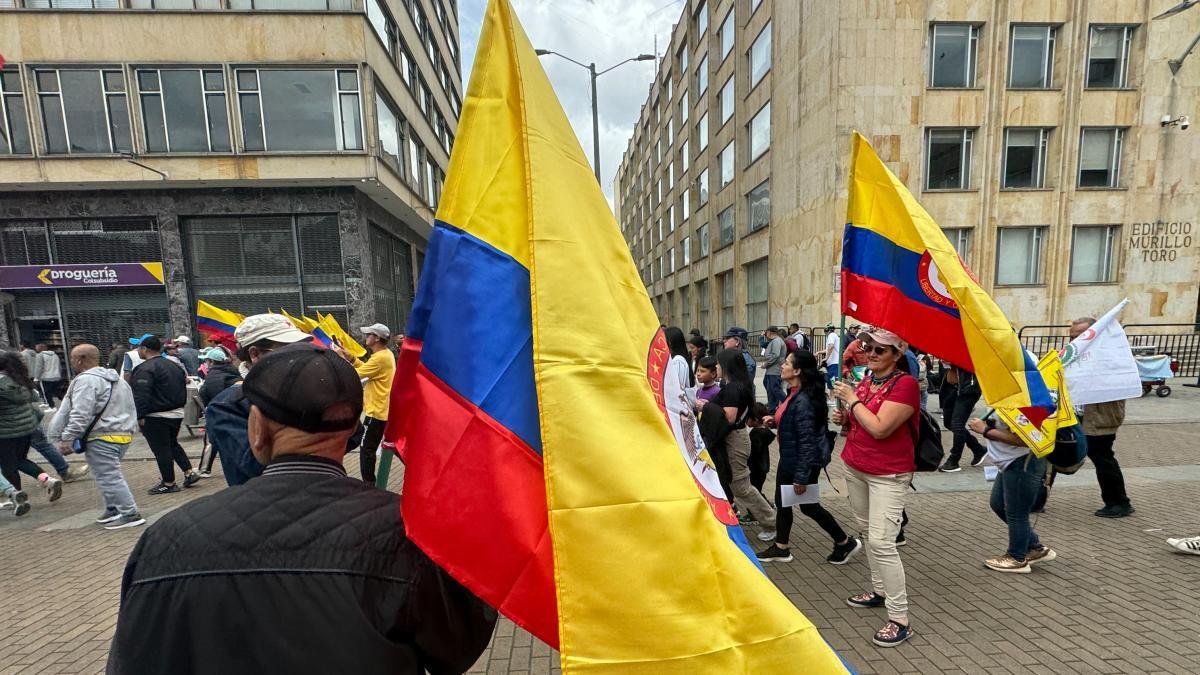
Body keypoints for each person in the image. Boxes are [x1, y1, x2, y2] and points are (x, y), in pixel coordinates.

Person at [107, 346, 498, 673]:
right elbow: (456, 649)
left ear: (257, 426)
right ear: (351, 430)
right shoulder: (407, 530)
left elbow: (134, 659)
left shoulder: (166, 538)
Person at [830, 328, 918, 648]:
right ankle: (879, 591)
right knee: (867, 531)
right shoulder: (869, 379)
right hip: (856, 466)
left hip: (888, 474)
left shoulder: (905, 385)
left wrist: (852, 401)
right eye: (869, 347)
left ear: (897, 354)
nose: (871, 353)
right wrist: (846, 414)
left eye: (881, 350)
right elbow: (859, 420)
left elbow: (881, 429)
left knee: (882, 542)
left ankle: (900, 618)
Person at [757, 349, 861, 565]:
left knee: (807, 505)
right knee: (786, 503)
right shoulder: (795, 392)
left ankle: (844, 541)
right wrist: (775, 422)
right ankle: (782, 546)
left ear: (797, 370)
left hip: (799, 462)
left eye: (787, 363)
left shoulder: (803, 400)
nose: (783, 366)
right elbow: (794, 425)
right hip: (792, 458)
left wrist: (801, 477)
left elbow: (807, 441)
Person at [208, 314, 314, 486]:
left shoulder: (309, 389)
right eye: (288, 351)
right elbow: (254, 464)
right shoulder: (226, 406)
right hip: (260, 504)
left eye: (302, 350)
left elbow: (352, 436)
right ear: (255, 354)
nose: (299, 359)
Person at [48, 344, 144, 529]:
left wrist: (67, 438)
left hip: (101, 435)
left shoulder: (85, 381)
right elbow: (130, 407)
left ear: (79, 360)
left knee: (109, 476)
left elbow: (80, 413)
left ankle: (130, 513)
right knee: (106, 474)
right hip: (122, 434)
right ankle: (113, 508)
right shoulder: (118, 380)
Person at [966, 414, 1057, 574]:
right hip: (1009, 462)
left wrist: (985, 430)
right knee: (998, 504)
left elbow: (1026, 438)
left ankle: (1016, 557)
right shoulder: (1001, 398)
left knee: (1016, 513)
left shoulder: (1017, 402)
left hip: (1022, 462)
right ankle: (1034, 546)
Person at [708, 348, 774, 541]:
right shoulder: (734, 385)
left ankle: (770, 521)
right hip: (733, 439)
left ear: (727, 366)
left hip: (734, 440)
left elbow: (728, 418)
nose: (716, 367)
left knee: (741, 486)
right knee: (733, 483)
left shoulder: (733, 388)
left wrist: (707, 406)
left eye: (718, 364)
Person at [1072, 318, 1134, 518]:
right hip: (1080, 414)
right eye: (1071, 337)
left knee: (1102, 457)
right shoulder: (1077, 354)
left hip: (1100, 416)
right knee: (1056, 453)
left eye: (1078, 337)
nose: (1073, 341)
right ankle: (1037, 499)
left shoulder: (1110, 354)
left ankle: (1119, 502)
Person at [130, 335, 199, 494]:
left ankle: (169, 483)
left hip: (156, 415)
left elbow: (141, 395)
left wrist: (139, 416)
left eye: (139, 348)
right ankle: (189, 472)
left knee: (161, 449)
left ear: (145, 349)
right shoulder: (174, 365)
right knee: (172, 444)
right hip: (176, 413)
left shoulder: (144, 369)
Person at [332, 323, 396, 484]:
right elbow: (367, 368)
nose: (366, 337)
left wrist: (340, 357)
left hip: (376, 412)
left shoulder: (380, 358)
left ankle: (368, 484)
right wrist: (351, 357)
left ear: (377, 338)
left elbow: (355, 375)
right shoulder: (384, 355)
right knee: (368, 445)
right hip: (380, 410)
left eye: (369, 335)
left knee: (366, 449)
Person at [0, 352, 63, 503]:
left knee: (8, 465)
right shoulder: (19, 379)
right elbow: (35, 397)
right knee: (20, 460)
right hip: (27, 428)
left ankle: (17, 497)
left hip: (6, 432)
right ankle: (48, 480)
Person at [938, 367, 987, 472]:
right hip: (952, 387)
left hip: (968, 388)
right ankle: (978, 449)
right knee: (948, 423)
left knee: (957, 424)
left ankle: (954, 460)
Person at [746, 402, 773, 495]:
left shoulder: (756, 435)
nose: (746, 420)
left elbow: (754, 451)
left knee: (754, 492)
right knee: (757, 490)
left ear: (756, 420)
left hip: (755, 469)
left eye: (748, 418)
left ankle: (763, 507)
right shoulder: (764, 432)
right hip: (762, 467)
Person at [722, 327, 757, 396]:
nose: (724, 341)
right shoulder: (734, 356)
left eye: (728, 338)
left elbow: (743, 383)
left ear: (737, 342)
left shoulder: (744, 358)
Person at [761, 326, 787, 413]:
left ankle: (787, 403)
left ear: (769, 332)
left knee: (775, 388)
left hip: (775, 369)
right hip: (771, 369)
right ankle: (772, 407)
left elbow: (775, 355)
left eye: (766, 333)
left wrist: (766, 363)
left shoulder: (776, 341)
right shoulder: (775, 341)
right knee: (769, 387)